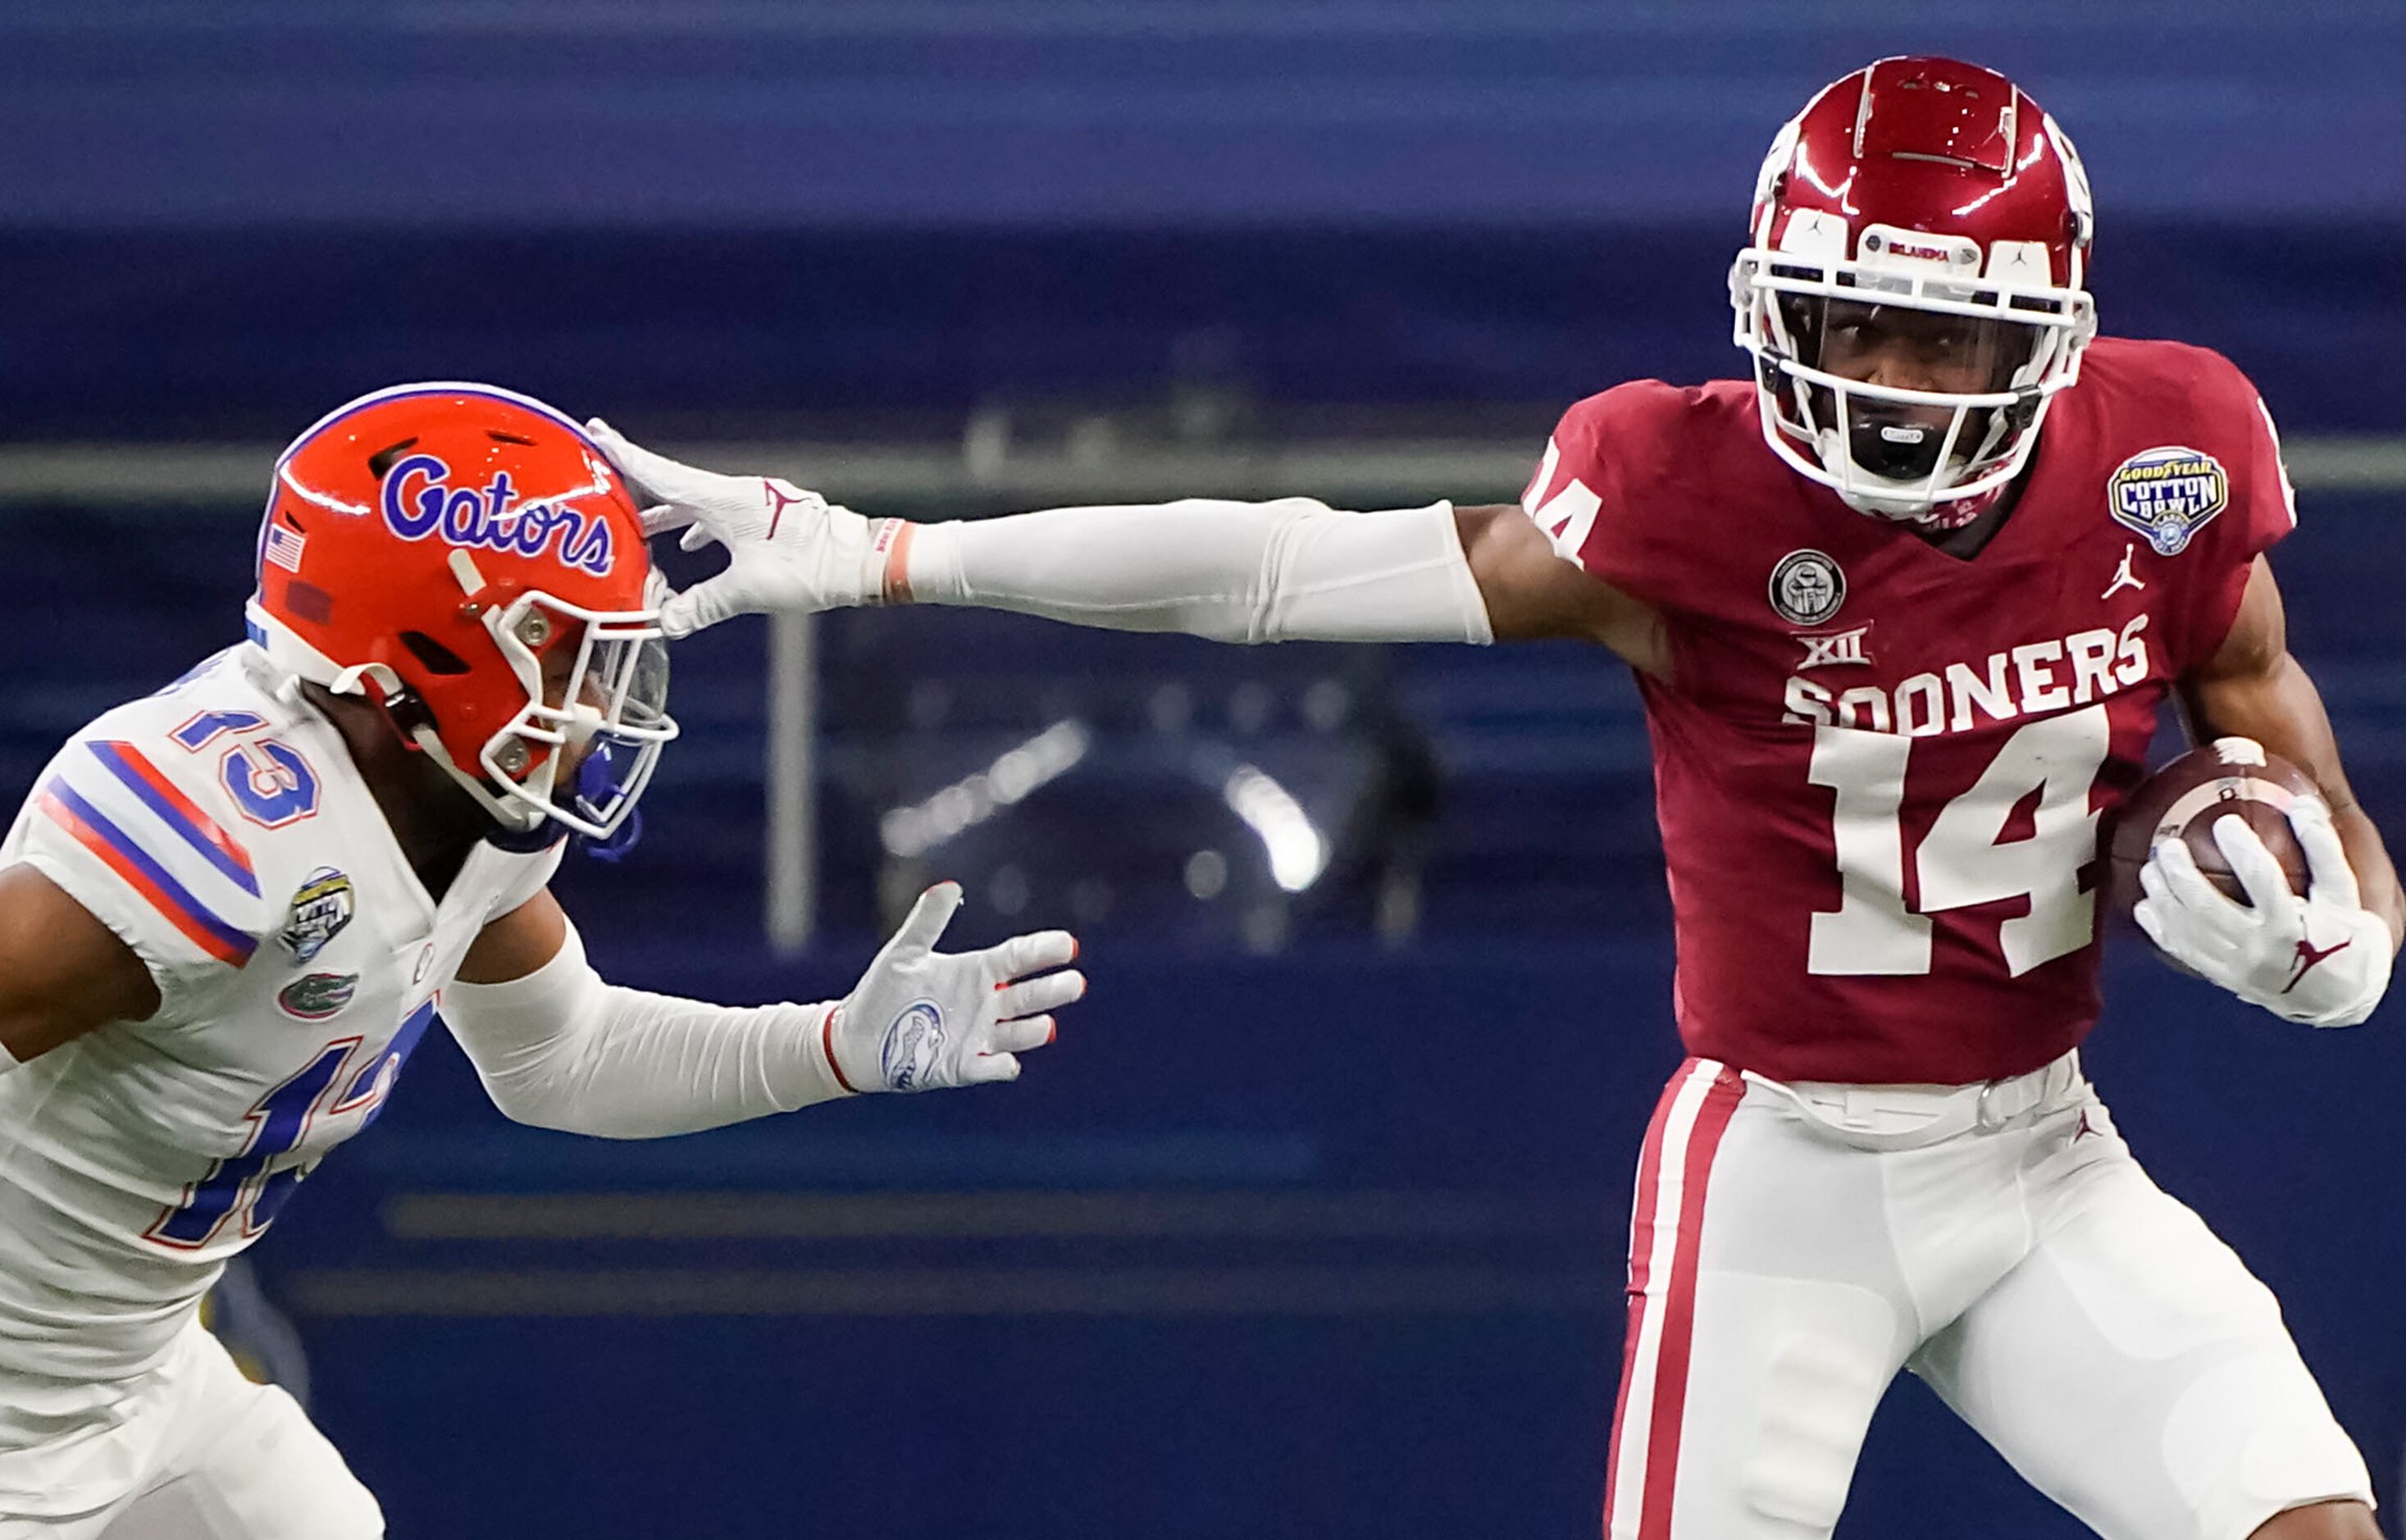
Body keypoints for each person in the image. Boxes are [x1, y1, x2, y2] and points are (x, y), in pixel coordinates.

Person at [594, 56, 2397, 1540]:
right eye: (1849, 322)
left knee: (2305, 1525)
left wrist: (2350, 929)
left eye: (1940, 342)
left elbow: (2254, 701)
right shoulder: (1687, 499)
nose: (1884, 387)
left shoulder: (2168, 458)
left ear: (2051, 345)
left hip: (2046, 1153)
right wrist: (886, 553)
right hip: (1791, 1172)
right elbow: (1277, 568)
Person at [0, 382, 1087, 1538]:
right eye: (566, 654)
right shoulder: (221, 823)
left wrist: (828, 1046)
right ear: (429, 643)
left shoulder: (450, 800)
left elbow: (562, 1056)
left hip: (137, 1375)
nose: (599, 703)